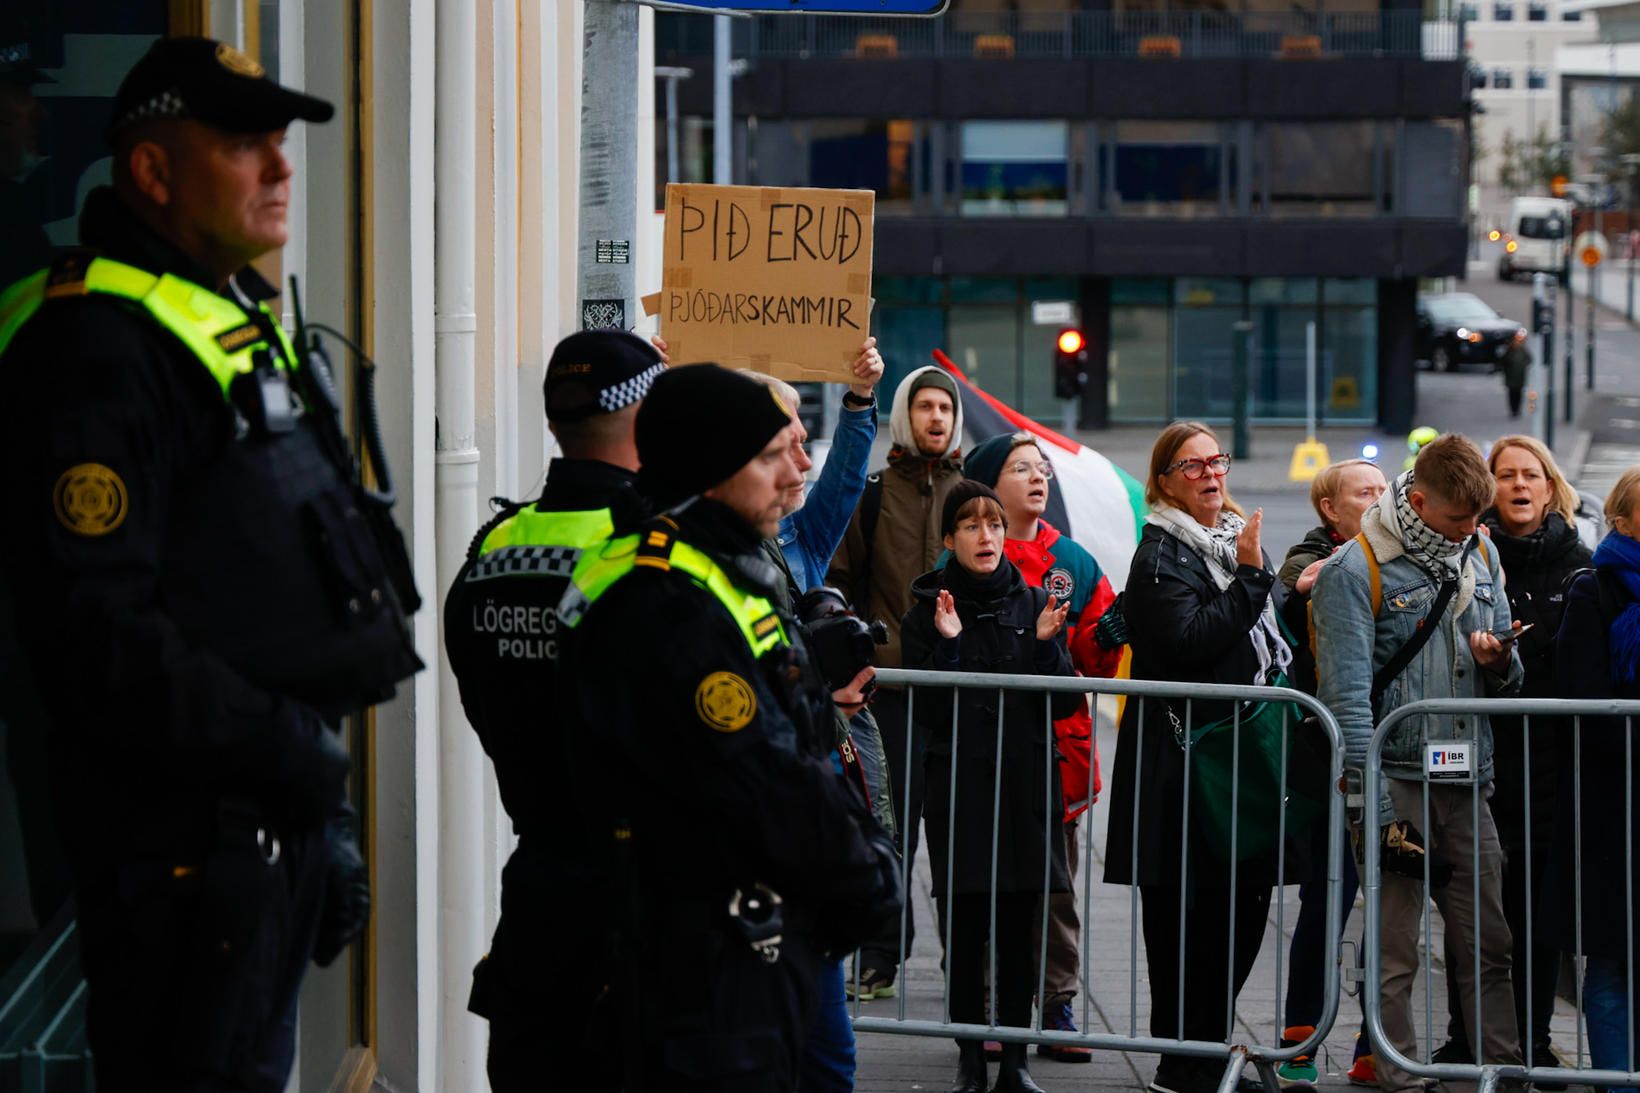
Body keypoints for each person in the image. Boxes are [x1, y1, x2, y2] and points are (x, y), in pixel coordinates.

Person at [0, 38, 422, 1091]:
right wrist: (294, 755)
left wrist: (313, 801)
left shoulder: (216, 309)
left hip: (256, 818)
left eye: (280, 142)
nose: (281, 168)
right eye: (244, 143)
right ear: (152, 173)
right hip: (182, 844)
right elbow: (102, 631)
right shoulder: (94, 344)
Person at [558, 363, 901, 1092]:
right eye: (770, 455)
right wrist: (868, 876)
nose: (790, 473)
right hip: (700, 960)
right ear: (712, 467)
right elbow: (764, 777)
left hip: (714, 943)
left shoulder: (710, 567)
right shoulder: (672, 597)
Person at [442, 329, 662, 1089]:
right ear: (645, 420)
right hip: (647, 911)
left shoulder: (492, 551)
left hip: (536, 897)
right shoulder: (657, 556)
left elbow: (481, 702)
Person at [1313, 433, 1523, 1093]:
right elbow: (1345, 699)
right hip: (1396, 780)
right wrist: (1372, 810)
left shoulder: (1481, 551)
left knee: (1488, 938)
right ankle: (1397, 1068)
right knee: (1396, 943)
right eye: (1460, 518)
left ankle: (1501, 1065)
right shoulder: (1357, 568)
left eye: (1477, 519)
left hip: (1468, 779)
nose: (1472, 530)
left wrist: (1502, 660)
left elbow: (1509, 674)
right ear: (1421, 500)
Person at [1104, 423, 1292, 1093]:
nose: (1212, 473)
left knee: (1238, 911)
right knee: (1190, 923)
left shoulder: (1223, 541)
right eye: (1193, 465)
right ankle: (1183, 1062)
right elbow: (1188, 643)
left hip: (1230, 760)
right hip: (1182, 769)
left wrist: (1272, 584)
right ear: (1164, 482)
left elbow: (1259, 635)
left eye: (1218, 460)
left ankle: (1206, 1052)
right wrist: (1249, 579)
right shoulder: (1160, 554)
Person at [738, 351, 893, 1093]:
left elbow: (837, 486)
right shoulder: (707, 568)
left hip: (812, 816)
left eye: (805, 441)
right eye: (783, 445)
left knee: (828, 1054)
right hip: (751, 858)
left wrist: (862, 399)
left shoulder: (794, 544)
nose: (802, 463)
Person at [902, 479, 1079, 1093]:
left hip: (1026, 785)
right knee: (967, 923)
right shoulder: (928, 608)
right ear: (949, 538)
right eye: (973, 526)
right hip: (961, 786)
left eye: (995, 524)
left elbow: (1062, 703)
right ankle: (971, 1055)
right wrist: (948, 647)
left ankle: (1017, 1060)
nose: (987, 536)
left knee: (1021, 924)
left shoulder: (1033, 603)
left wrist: (1050, 649)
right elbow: (925, 709)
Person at [1423, 436, 1587, 1080]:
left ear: (1551, 487)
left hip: (1547, 764)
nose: (1519, 485)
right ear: (1486, 487)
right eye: (1506, 475)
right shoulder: (1463, 554)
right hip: (1473, 763)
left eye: (1531, 475)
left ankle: (1534, 1041)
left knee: (1535, 916)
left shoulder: (1580, 565)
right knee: (1469, 910)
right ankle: (1465, 1038)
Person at [960, 431, 1124, 1062]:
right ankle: (990, 1008)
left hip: (1059, 753)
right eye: (1021, 468)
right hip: (986, 753)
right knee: (987, 886)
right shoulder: (971, 558)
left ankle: (1058, 1001)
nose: (1037, 479)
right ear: (985, 483)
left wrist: (1109, 633)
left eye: (1042, 470)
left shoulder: (1075, 563)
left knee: (1056, 888)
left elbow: (1094, 665)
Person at [829, 363, 966, 999]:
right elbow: (841, 580)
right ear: (905, 414)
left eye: (945, 407)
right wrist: (863, 643)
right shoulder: (874, 492)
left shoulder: (973, 496)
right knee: (888, 827)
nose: (936, 417)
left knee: (959, 838)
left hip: (958, 694)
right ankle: (881, 955)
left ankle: (966, 966)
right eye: (924, 406)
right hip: (889, 693)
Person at [1273, 457, 1387, 1087]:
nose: (1377, 499)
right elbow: (1288, 608)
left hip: (1391, 753)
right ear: (1330, 507)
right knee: (1327, 899)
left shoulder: (1398, 555)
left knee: (1390, 906)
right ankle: (1299, 1038)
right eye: (1362, 491)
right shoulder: (1307, 559)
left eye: (1383, 489)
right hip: (1328, 760)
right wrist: (1306, 587)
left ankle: (1377, 1041)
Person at [1552, 467, 1640, 1085]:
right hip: (1618, 806)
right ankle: (1616, 1080)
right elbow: (1584, 696)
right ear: (1622, 520)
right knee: (1612, 962)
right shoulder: (1596, 588)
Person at [1501, 331, 1531, 419]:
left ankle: (1517, 410)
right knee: (1511, 394)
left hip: (1520, 377)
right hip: (1511, 377)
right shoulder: (1509, 351)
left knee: (1518, 394)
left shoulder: (1523, 350)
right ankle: (1513, 410)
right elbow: (1503, 362)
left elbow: (1529, 360)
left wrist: (1523, 366)